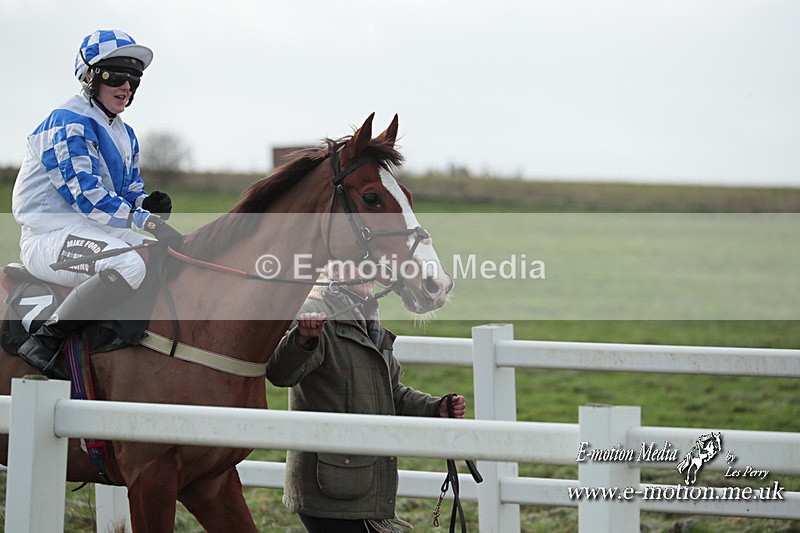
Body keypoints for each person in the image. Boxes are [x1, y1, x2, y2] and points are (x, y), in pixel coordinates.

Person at [11, 29, 182, 379]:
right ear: (90, 77)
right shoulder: (67, 123)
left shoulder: (124, 132)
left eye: (134, 79)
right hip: (48, 238)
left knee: (164, 256)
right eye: (117, 77)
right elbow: (88, 197)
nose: (126, 88)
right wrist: (145, 221)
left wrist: (145, 203)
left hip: (92, 229)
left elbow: (129, 188)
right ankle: (46, 340)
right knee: (131, 267)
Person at [266, 262, 467, 533]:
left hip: (360, 485)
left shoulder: (368, 320)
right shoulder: (313, 312)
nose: (366, 271)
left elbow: (391, 393)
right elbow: (280, 373)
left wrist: (435, 408)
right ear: (332, 269)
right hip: (329, 488)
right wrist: (303, 339)